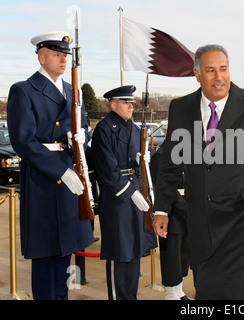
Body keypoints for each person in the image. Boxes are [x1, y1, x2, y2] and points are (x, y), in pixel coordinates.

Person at [152, 44, 244, 300]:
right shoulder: (181, 108)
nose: (219, 76)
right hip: (199, 216)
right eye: (210, 70)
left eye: (223, 69)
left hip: (242, 216)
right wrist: (162, 208)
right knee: (206, 284)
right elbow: (169, 164)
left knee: (234, 285)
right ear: (197, 74)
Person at [7, 31, 94, 299]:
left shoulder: (72, 90)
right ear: (41, 58)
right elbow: (23, 141)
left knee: (64, 252)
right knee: (46, 255)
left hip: (70, 174)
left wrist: (80, 139)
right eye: (57, 55)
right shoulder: (24, 90)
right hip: (44, 178)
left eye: (65, 55)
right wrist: (61, 171)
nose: (63, 60)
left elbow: (84, 128)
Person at [90, 85, 157, 300]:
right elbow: (107, 171)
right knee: (119, 253)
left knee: (134, 250)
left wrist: (145, 159)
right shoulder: (104, 128)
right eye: (126, 102)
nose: (131, 106)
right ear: (113, 105)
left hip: (136, 191)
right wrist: (131, 192)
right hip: (118, 196)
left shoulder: (135, 129)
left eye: (132, 102)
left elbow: (141, 156)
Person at [150, 140, 190, 300]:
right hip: (171, 213)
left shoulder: (185, 152)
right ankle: (171, 294)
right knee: (171, 256)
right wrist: (185, 208)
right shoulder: (161, 156)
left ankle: (179, 291)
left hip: (186, 211)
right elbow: (165, 189)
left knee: (183, 256)